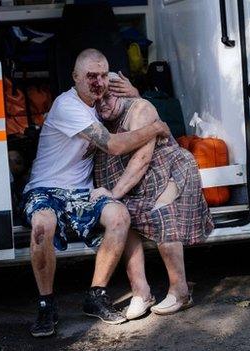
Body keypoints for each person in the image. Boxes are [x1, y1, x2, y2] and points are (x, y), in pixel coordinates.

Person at [22, 49, 171, 337]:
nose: (99, 82)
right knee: (43, 225)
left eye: (103, 76)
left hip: (81, 192)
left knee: (119, 215)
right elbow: (113, 145)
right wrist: (155, 128)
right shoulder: (68, 105)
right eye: (91, 76)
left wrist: (134, 91)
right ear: (75, 77)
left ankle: (96, 295)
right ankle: (46, 304)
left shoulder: (100, 97)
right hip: (45, 188)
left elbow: (135, 104)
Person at [93, 81, 213, 319]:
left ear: (121, 95)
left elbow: (142, 159)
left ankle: (181, 291)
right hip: (139, 182)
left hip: (170, 171)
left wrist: (114, 192)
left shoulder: (140, 110)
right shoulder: (103, 119)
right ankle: (141, 292)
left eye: (108, 97)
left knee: (162, 213)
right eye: (97, 100)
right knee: (123, 216)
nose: (102, 104)